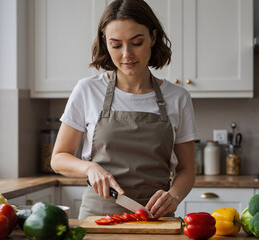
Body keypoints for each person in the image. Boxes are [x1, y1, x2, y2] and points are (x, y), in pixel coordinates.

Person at [51, 0, 197, 220]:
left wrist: (174, 196)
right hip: (98, 218)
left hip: (156, 218)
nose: (126, 55)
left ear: (153, 37)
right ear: (104, 42)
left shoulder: (178, 97)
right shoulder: (87, 90)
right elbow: (59, 158)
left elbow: (187, 169)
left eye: (136, 42)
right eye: (116, 45)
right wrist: (90, 168)